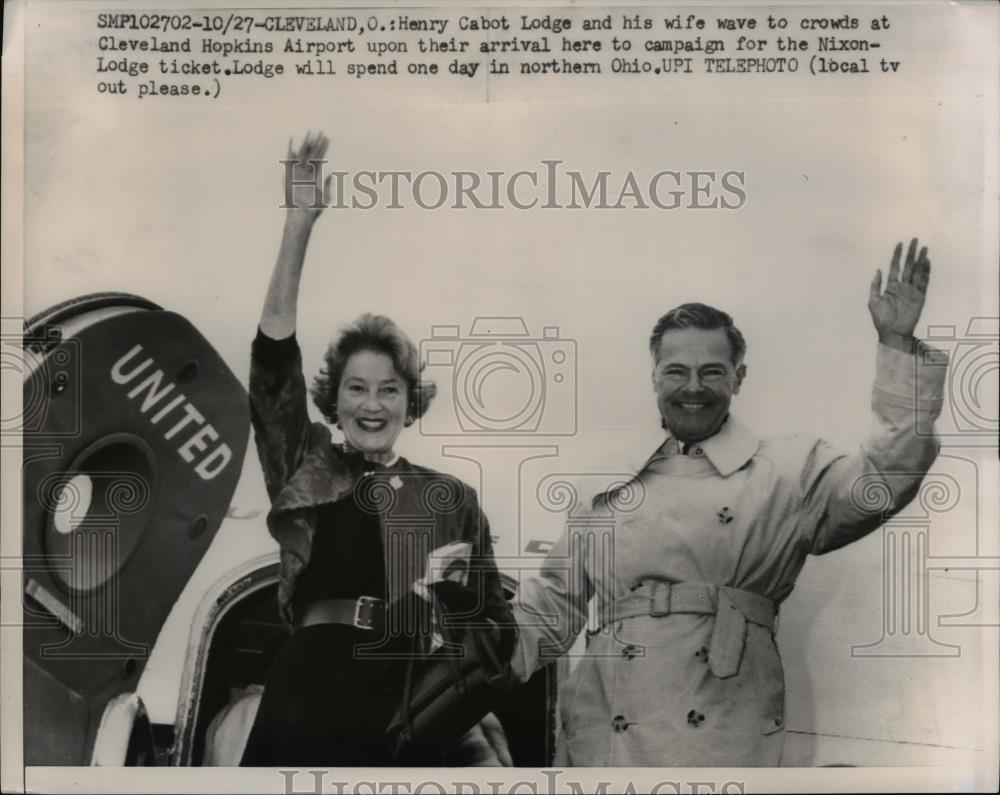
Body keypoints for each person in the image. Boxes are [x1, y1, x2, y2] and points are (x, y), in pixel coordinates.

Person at [511, 239, 948, 766]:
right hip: (607, 729)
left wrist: (897, 346)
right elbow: (553, 606)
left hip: (723, 719)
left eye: (712, 371)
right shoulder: (609, 482)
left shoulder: (789, 471)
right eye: (676, 371)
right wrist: (464, 644)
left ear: (738, 378)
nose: (692, 387)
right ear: (654, 377)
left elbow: (887, 476)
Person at [240, 132, 514, 766]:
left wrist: (447, 596)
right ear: (333, 401)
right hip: (307, 690)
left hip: (409, 694)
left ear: (409, 402)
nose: (372, 404)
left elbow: (496, 631)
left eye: (389, 389)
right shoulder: (305, 465)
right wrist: (298, 227)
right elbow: (271, 371)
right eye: (357, 388)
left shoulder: (453, 499)